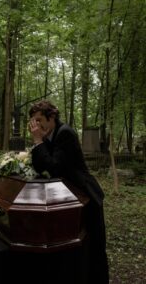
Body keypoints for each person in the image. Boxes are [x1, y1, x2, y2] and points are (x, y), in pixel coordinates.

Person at [28, 99, 109, 284]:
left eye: (40, 120)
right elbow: (40, 166)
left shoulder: (65, 133)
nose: (37, 125)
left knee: (92, 245)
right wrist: (38, 141)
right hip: (69, 195)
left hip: (85, 194)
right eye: (34, 121)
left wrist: (39, 141)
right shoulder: (50, 134)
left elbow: (55, 167)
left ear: (53, 117)